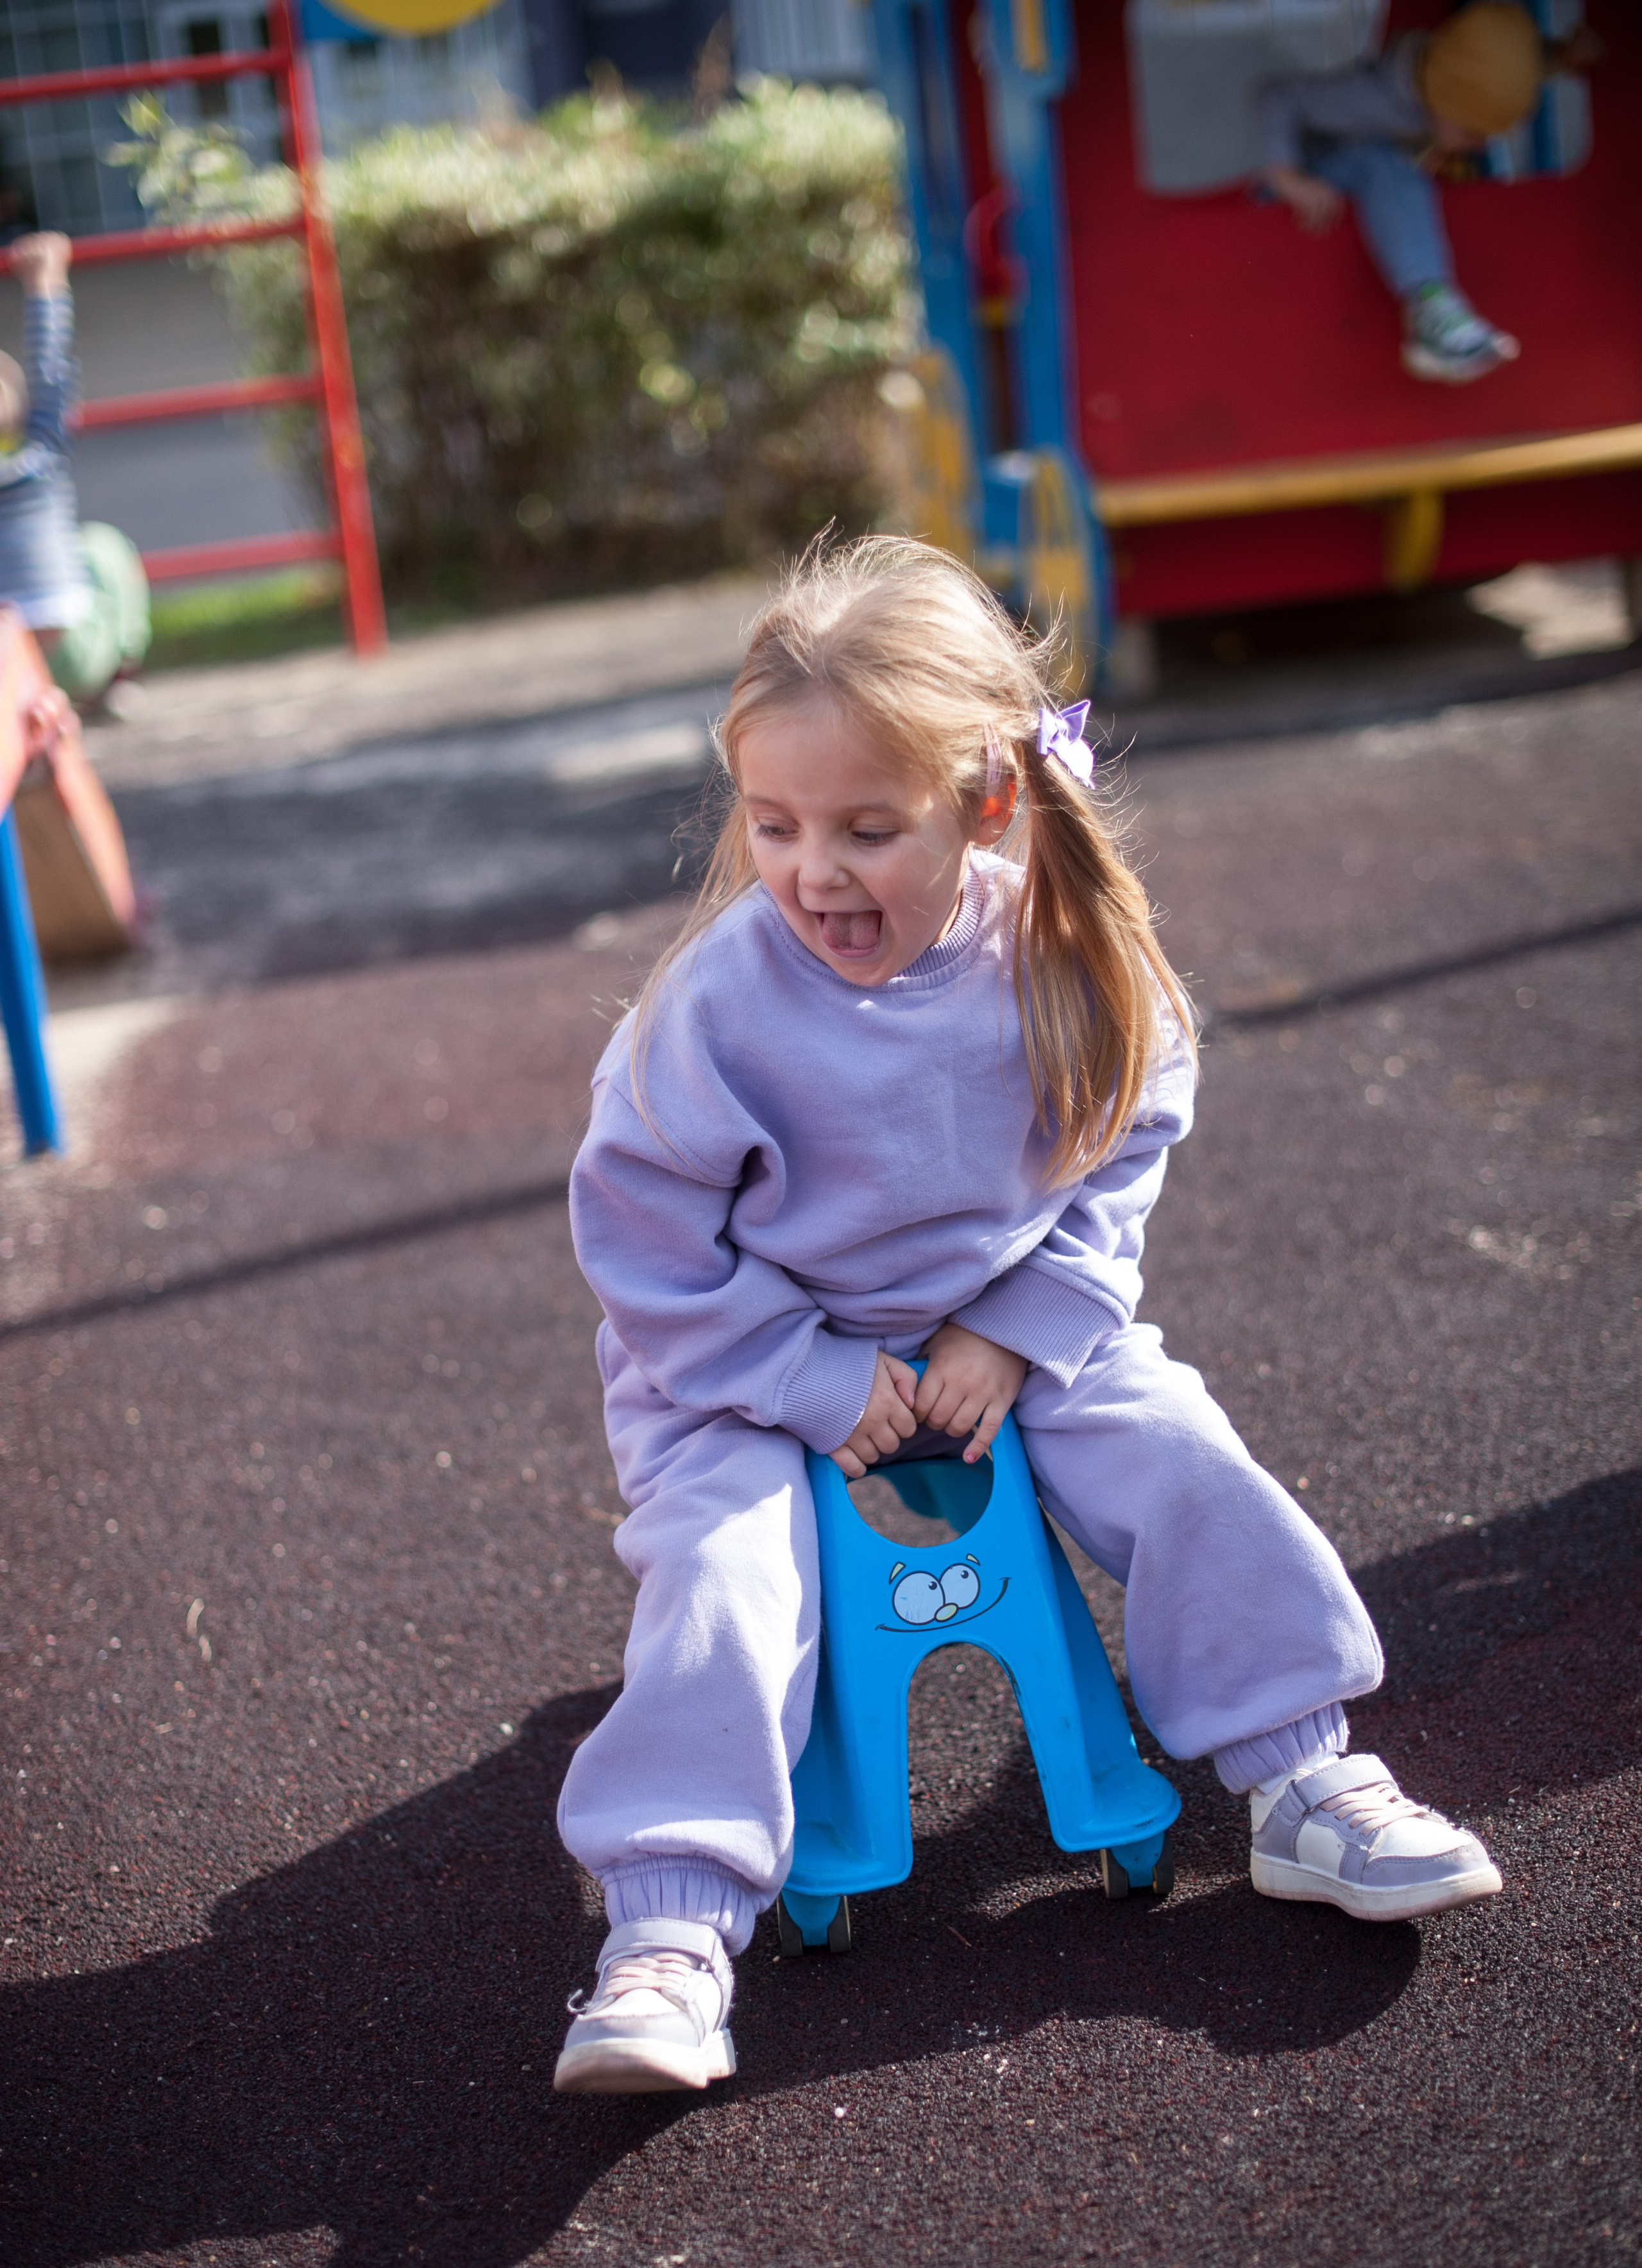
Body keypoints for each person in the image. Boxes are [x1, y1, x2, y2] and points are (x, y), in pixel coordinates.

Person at [553, 536, 1502, 2096]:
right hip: (742, 1356)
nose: (810, 871)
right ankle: (667, 1931)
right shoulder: (715, 1007)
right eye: (774, 823)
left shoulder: (1055, 944)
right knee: (724, 1573)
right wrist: (800, 1371)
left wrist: (1023, 1314)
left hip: (1001, 1322)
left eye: (867, 827)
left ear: (983, 801)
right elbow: (640, 1236)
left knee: (1178, 1453)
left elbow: (1134, 1121)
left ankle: (1301, 1779)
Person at [1257, 3, 1602, 385]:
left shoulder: (1444, 86)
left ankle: (1434, 307)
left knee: (1393, 168)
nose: (1480, 146)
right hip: (1304, 189)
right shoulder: (1374, 97)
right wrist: (1287, 177)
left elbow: (1500, 73)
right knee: (1386, 165)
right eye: (1474, 133)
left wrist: (1562, 58)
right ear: (1446, 100)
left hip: (1366, 184)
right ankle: (1430, 310)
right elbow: (1279, 97)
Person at [0, 231, 150, 707]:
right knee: (102, 547)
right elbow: (50, 370)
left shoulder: (39, 456)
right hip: (69, 654)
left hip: (7, 666)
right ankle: (120, 677)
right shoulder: (41, 456)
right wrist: (47, 281)